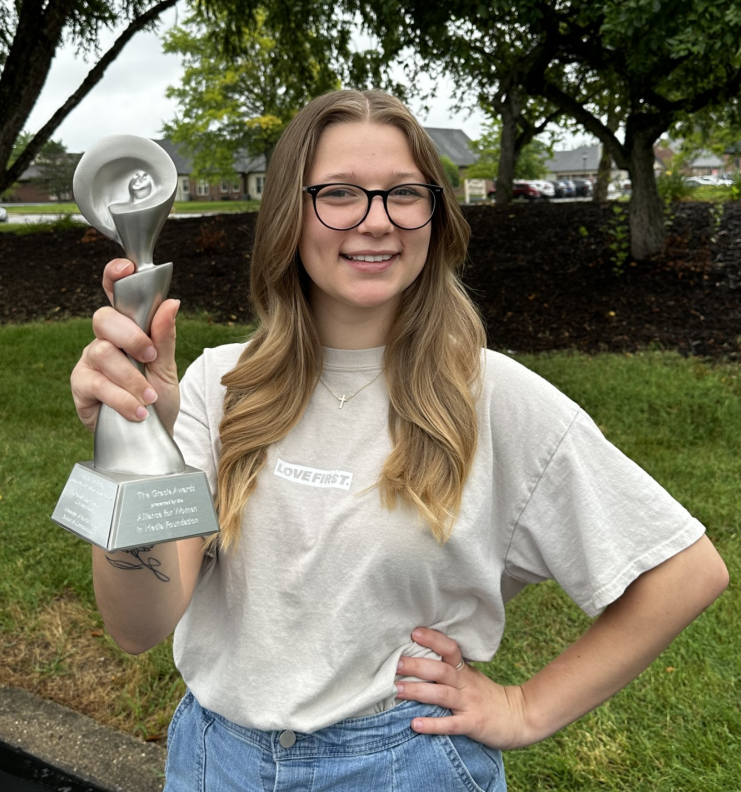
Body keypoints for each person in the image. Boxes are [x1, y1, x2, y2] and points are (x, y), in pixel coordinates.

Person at [70, 90, 728, 792]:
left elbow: (683, 572)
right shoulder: (213, 385)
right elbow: (137, 624)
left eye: (404, 194)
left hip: (404, 767)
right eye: (340, 193)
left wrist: (525, 707)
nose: (376, 221)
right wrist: (138, 443)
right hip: (214, 763)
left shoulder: (491, 396)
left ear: (434, 215)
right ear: (290, 215)